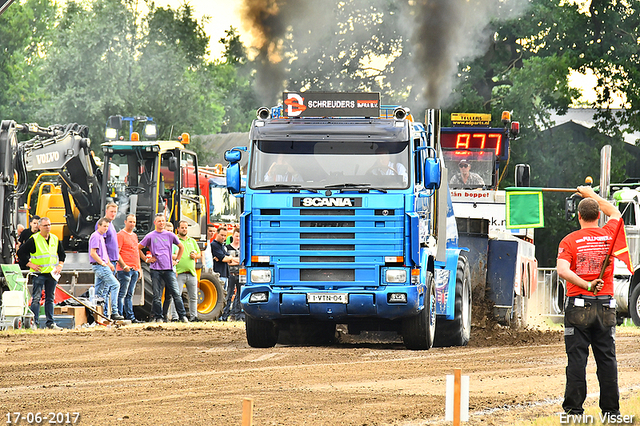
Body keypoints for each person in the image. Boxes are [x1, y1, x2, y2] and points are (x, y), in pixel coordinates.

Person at [556, 185, 621, 417]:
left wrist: (585, 284)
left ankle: (574, 411)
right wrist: (591, 194)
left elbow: (562, 270)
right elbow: (615, 213)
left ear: (579, 216)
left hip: (578, 305)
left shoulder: (569, 241)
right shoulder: (610, 234)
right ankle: (612, 413)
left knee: (577, 360)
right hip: (605, 305)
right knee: (607, 359)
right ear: (598, 216)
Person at [139, 214, 189, 323]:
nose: (161, 223)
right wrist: (146, 259)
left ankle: (182, 316)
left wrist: (177, 260)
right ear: (155, 223)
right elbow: (139, 247)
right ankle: (159, 317)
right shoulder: (150, 236)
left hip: (169, 269)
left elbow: (181, 247)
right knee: (157, 295)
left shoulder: (170, 235)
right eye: (159, 221)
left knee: (176, 293)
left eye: (163, 221)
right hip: (155, 269)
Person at [17, 217, 65, 329]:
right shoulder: (34, 239)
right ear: (40, 227)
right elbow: (21, 252)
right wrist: (30, 264)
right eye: (45, 225)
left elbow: (62, 254)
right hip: (38, 273)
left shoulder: (54, 238)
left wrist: (60, 265)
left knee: (50, 298)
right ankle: (34, 323)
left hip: (51, 274)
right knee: (36, 298)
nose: (48, 227)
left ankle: (50, 323)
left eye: (49, 225)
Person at [90, 217, 124, 320]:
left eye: (107, 227)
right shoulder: (96, 236)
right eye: (104, 226)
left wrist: (109, 263)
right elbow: (93, 252)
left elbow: (104, 253)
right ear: (99, 226)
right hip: (99, 266)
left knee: (99, 292)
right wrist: (103, 263)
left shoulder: (101, 237)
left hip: (103, 265)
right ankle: (114, 312)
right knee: (115, 285)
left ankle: (98, 315)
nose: (106, 228)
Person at [116, 214, 145, 323]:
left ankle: (130, 317)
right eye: (130, 222)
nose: (132, 224)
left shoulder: (134, 236)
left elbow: (137, 253)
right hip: (125, 270)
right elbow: (117, 253)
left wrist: (139, 269)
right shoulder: (120, 235)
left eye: (134, 222)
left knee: (129, 295)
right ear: (125, 222)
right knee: (122, 294)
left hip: (134, 270)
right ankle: (119, 315)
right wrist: (124, 266)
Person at [210, 226, 238, 320]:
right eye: (221, 235)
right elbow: (224, 258)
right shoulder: (214, 245)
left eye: (225, 236)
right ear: (216, 234)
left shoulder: (222, 246)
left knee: (224, 298)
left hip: (225, 274)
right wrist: (227, 259)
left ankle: (222, 316)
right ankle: (218, 317)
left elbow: (227, 258)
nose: (223, 237)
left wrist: (228, 259)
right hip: (218, 274)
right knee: (220, 297)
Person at [175, 220, 202, 322]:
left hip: (191, 273)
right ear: (178, 229)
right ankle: (175, 317)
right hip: (179, 272)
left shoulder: (192, 241)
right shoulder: (175, 240)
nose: (184, 229)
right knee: (177, 296)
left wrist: (195, 256)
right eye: (182, 228)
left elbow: (199, 254)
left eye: (186, 228)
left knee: (193, 296)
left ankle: (193, 316)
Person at [221, 227, 242, 322]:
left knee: (239, 296)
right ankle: (224, 315)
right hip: (230, 274)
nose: (238, 238)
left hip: (241, 274)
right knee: (228, 295)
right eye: (236, 236)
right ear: (233, 236)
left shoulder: (242, 248)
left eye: (239, 236)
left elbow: (243, 262)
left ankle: (237, 315)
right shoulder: (227, 247)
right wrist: (235, 261)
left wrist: (232, 259)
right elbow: (227, 262)